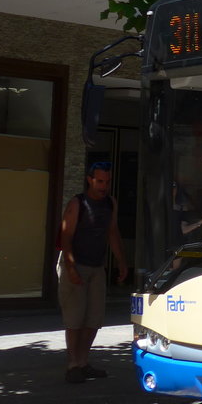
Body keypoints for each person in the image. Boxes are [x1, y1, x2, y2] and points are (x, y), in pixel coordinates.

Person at [57, 160, 128, 384]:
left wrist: (122, 262)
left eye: (106, 182)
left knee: (94, 319)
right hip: (75, 264)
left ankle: (83, 362)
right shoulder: (77, 203)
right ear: (89, 179)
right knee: (75, 319)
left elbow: (112, 232)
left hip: (97, 267)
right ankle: (72, 365)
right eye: (99, 181)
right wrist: (70, 268)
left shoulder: (110, 203)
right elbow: (65, 237)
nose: (103, 186)